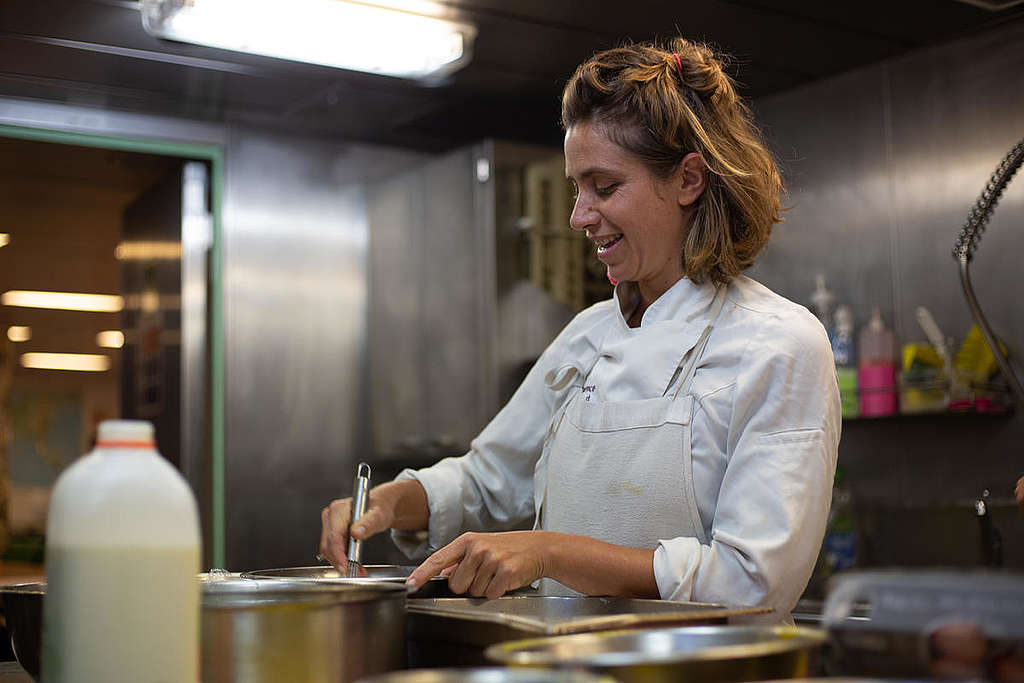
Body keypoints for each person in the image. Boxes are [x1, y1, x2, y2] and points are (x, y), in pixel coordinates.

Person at [320, 37, 841, 621]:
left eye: (605, 186)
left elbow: (753, 582)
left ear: (689, 181)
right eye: (575, 187)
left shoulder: (778, 344)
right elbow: (489, 481)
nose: (577, 216)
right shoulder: (588, 335)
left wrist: (550, 553)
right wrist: (392, 502)